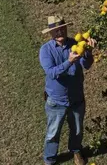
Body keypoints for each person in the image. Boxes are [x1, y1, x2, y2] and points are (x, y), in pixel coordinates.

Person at [39, 15, 97, 165]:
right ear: (51, 33)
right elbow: (52, 73)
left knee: (77, 130)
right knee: (53, 132)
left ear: (66, 28)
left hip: (76, 97)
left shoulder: (76, 44)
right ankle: (50, 159)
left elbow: (87, 64)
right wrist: (69, 62)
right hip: (56, 100)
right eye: (56, 30)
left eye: (62, 29)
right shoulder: (45, 50)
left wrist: (88, 51)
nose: (60, 33)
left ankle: (76, 151)